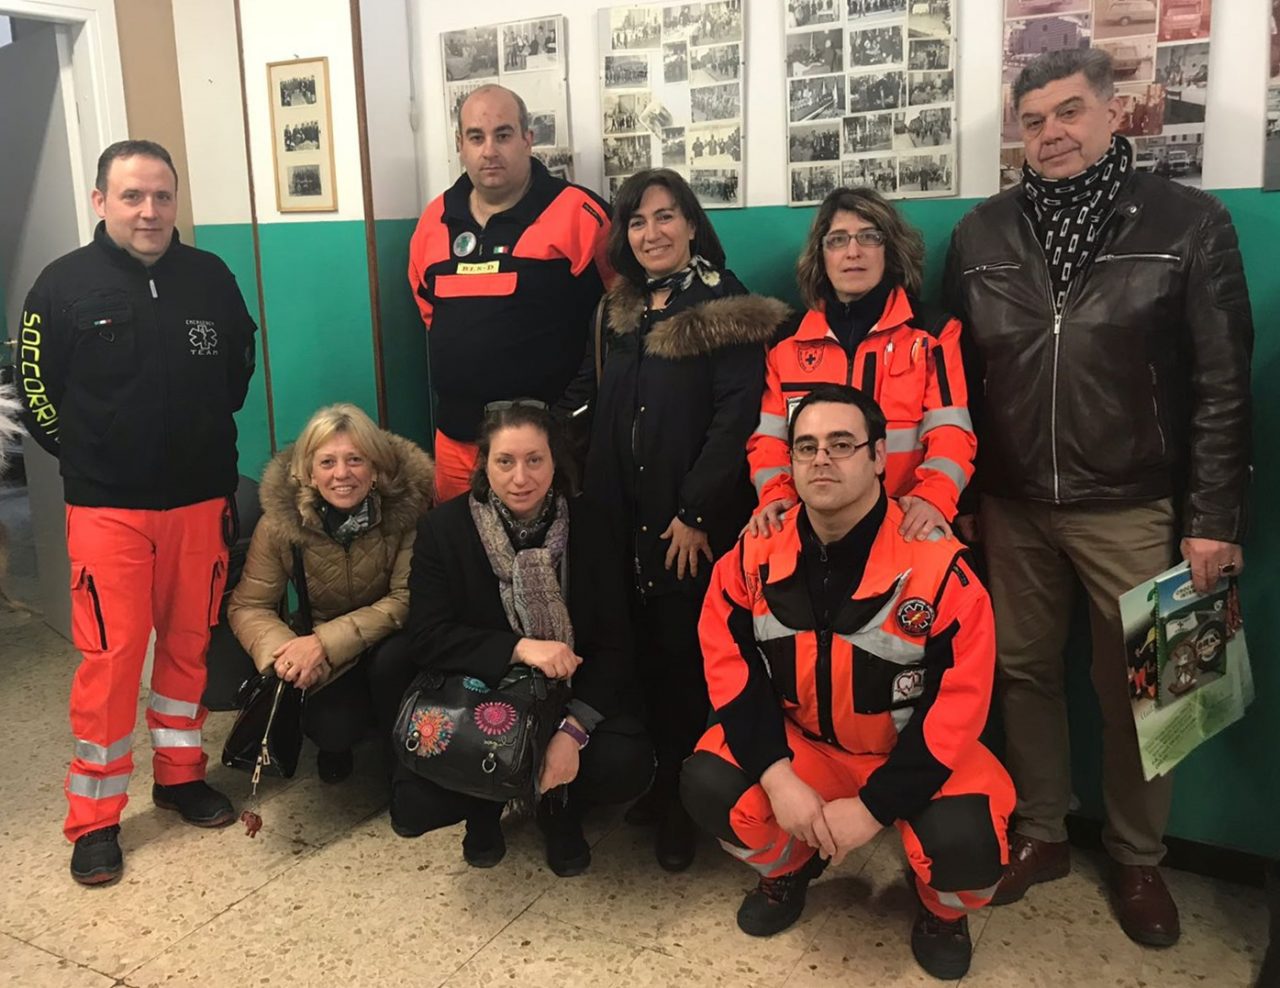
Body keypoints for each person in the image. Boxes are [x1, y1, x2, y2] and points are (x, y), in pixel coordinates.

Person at [944, 48, 1253, 947]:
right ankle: (1042, 831)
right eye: (1034, 121)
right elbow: (961, 377)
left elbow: (1224, 385)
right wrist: (961, 492)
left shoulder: (1189, 221)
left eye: (1070, 112)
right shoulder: (981, 233)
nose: (1052, 134)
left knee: (1144, 692)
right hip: (1010, 503)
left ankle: (1138, 855)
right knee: (1023, 673)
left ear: (1114, 113)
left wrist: (1213, 521)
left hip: (1133, 503)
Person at [682, 385, 1014, 980]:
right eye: (805, 447)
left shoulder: (942, 569)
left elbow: (960, 708)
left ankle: (942, 910)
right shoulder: (752, 555)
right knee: (709, 783)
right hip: (807, 748)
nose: (821, 460)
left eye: (841, 444)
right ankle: (790, 867)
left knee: (969, 845)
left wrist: (874, 806)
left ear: (879, 455)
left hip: (912, 755)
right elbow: (729, 671)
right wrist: (778, 778)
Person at [16, 140, 258, 885]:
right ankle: (95, 819)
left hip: (199, 500)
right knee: (115, 660)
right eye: (131, 196)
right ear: (100, 202)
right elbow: (33, 389)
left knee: (188, 647)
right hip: (107, 509)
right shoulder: (60, 286)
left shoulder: (211, 278)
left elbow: (238, 369)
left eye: (161, 195)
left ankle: (180, 776)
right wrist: (90, 457)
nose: (148, 211)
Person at [584, 168, 789, 871]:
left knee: (687, 660)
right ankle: (655, 778)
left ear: (693, 224)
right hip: (624, 515)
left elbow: (738, 418)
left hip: (687, 522)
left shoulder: (723, 305)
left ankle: (684, 801)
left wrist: (697, 510)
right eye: (638, 222)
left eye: (666, 217)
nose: (652, 233)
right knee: (638, 652)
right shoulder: (623, 308)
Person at [391, 402, 652, 876]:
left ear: (556, 463)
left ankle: (559, 809)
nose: (520, 477)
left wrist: (573, 732)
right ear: (483, 465)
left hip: (572, 688)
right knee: (416, 801)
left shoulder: (592, 525)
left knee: (624, 761)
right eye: (504, 461)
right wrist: (518, 648)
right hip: (484, 694)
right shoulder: (443, 530)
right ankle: (483, 808)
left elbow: (616, 641)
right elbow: (426, 637)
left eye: (535, 460)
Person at [407, 84, 613, 501]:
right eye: (476, 137)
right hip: (457, 442)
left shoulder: (578, 212)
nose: (489, 151)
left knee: (549, 558)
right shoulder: (435, 219)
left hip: (544, 446)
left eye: (503, 135)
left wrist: (570, 412)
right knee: (462, 555)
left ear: (527, 139)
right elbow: (430, 311)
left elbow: (618, 317)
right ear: (459, 145)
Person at [746, 186, 975, 543]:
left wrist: (933, 500)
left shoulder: (933, 333)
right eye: (837, 240)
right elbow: (769, 441)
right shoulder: (784, 343)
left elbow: (952, 434)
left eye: (869, 237)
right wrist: (776, 496)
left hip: (905, 524)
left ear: (890, 249)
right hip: (811, 524)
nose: (853, 252)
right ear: (821, 255)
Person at [227, 404, 434, 783]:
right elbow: (249, 605)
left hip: (392, 639)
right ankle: (339, 742)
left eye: (355, 459)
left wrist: (323, 642)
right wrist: (286, 656)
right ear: (307, 471)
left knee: (394, 663)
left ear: (374, 469)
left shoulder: (406, 513)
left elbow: (406, 597)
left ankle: (404, 768)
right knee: (333, 727)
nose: (342, 474)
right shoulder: (280, 525)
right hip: (326, 655)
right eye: (327, 462)